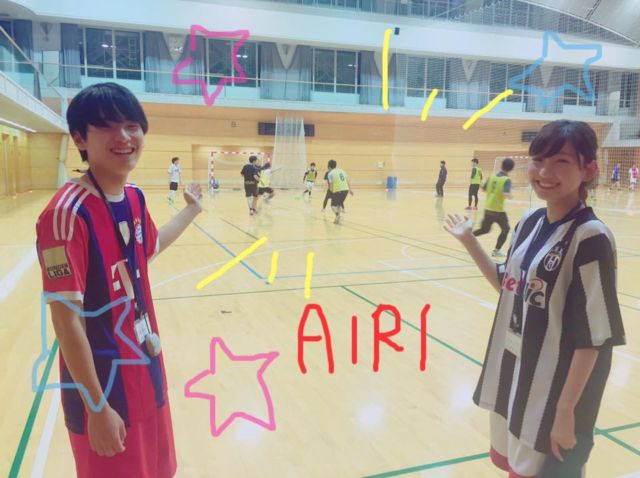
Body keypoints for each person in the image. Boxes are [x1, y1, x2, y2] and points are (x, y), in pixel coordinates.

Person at [35, 83, 203, 478]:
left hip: (146, 370)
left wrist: (191, 212)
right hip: (105, 390)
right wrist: (96, 407)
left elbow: (148, 248)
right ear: (80, 138)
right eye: (108, 127)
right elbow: (66, 320)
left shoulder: (134, 198)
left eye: (132, 126)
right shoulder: (66, 215)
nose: (124, 137)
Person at [444, 120, 625, 478]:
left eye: (561, 161)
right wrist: (469, 240)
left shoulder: (590, 237)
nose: (544, 172)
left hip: (551, 394)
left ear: (589, 170)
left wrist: (565, 412)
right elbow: (507, 285)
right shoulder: (530, 221)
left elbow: (593, 337)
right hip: (516, 376)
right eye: (538, 160)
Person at [472, 158, 515, 257]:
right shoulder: (506, 180)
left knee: (485, 229)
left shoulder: (491, 177)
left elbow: (483, 189)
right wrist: (511, 197)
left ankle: (468, 237)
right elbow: (505, 193)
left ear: (501, 165)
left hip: (488, 209)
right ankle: (496, 250)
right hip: (498, 211)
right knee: (506, 229)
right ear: (511, 169)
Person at [327, 159, 353, 224]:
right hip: (346, 190)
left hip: (338, 190)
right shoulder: (342, 170)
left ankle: (337, 215)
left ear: (329, 166)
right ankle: (338, 219)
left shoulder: (330, 174)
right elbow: (347, 180)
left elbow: (331, 186)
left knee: (333, 206)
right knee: (339, 205)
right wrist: (350, 189)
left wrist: (331, 192)